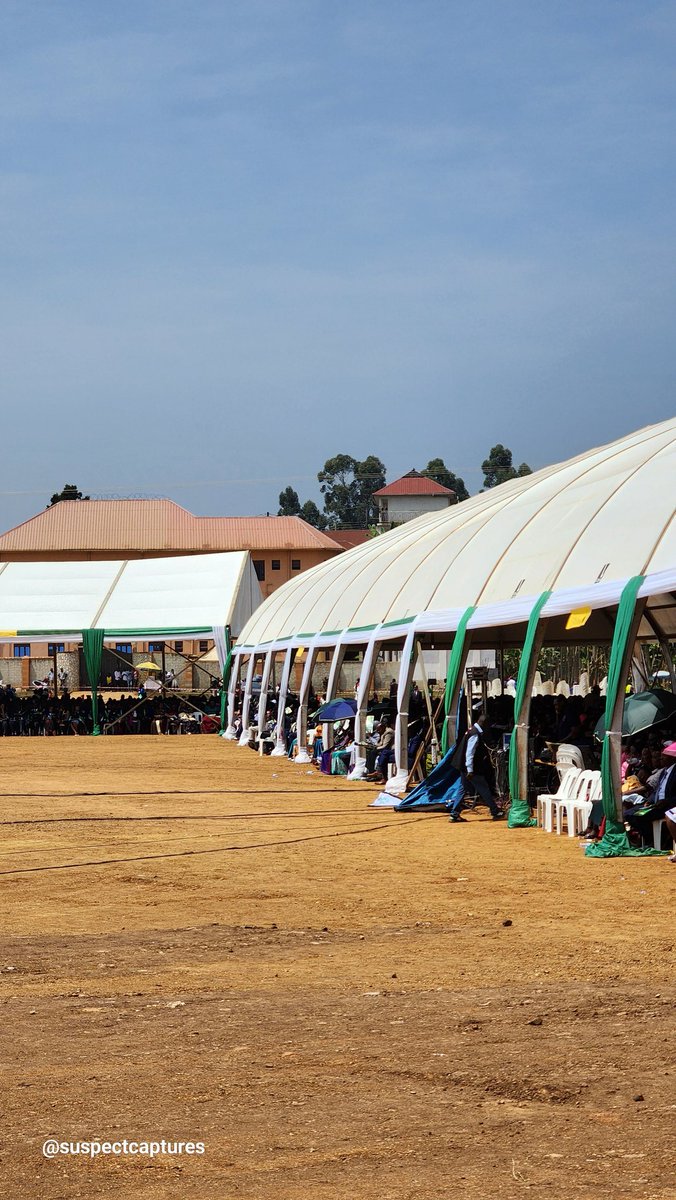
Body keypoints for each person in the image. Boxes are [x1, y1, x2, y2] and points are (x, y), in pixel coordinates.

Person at [449, 710, 503, 821]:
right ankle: (495, 811)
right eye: (488, 725)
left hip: (464, 767)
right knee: (484, 789)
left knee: (462, 789)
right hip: (471, 769)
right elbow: (470, 753)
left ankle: (454, 814)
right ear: (484, 723)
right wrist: (470, 770)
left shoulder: (471, 730)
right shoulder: (475, 734)